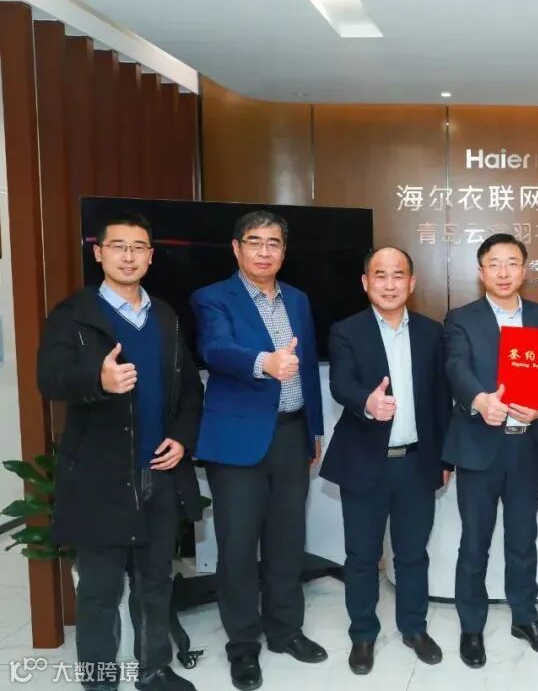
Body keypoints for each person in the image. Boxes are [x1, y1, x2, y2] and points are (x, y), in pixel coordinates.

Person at [38, 211, 203, 691]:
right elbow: (49, 380)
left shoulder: (165, 316)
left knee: (155, 583)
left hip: (159, 473)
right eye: (118, 246)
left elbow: (190, 390)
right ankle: (99, 681)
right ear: (99, 253)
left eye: (138, 248)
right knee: (100, 590)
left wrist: (182, 437)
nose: (128, 256)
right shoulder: (73, 315)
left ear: (150, 257)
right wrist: (98, 379)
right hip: (101, 477)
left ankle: (153, 671)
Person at [191, 210, 326, 691]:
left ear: (283, 252)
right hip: (237, 441)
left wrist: (314, 428)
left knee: (288, 540)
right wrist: (263, 362)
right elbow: (215, 349)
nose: (264, 251)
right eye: (255, 242)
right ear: (236, 248)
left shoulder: (298, 299)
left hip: (291, 433)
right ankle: (243, 645)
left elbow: (307, 368)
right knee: (238, 546)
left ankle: (286, 630)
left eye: (273, 243)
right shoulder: (212, 297)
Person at [319, 246, 451, 675]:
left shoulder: (431, 332)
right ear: (366, 282)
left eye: (398, 276)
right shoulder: (346, 331)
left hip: (416, 462)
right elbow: (340, 383)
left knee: (412, 554)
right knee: (361, 556)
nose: (389, 284)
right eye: (380, 275)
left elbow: (440, 400)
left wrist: (444, 457)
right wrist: (367, 401)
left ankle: (414, 628)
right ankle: (363, 634)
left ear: (411, 283)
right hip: (364, 463)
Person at [443, 233, 538, 668]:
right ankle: (471, 626)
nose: (503, 272)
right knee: (474, 542)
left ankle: (524, 618)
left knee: (522, 538)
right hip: (480, 446)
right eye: (493, 263)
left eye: (512, 262)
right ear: (481, 272)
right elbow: (456, 366)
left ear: (524, 269)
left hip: (527, 447)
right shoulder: (461, 318)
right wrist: (480, 400)